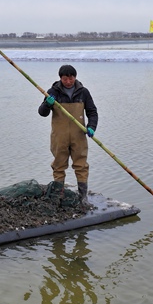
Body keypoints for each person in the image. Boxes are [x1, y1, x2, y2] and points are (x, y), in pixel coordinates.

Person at [38, 64, 98, 202]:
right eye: (65, 79)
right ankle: (58, 195)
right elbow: (42, 113)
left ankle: (83, 196)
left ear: (75, 77)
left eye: (71, 79)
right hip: (59, 137)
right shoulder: (53, 92)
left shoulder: (83, 92)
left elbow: (92, 112)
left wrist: (92, 127)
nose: (68, 82)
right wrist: (47, 104)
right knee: (59, 165)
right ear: (60, 78)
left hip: (79, 136)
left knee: (81, 165)